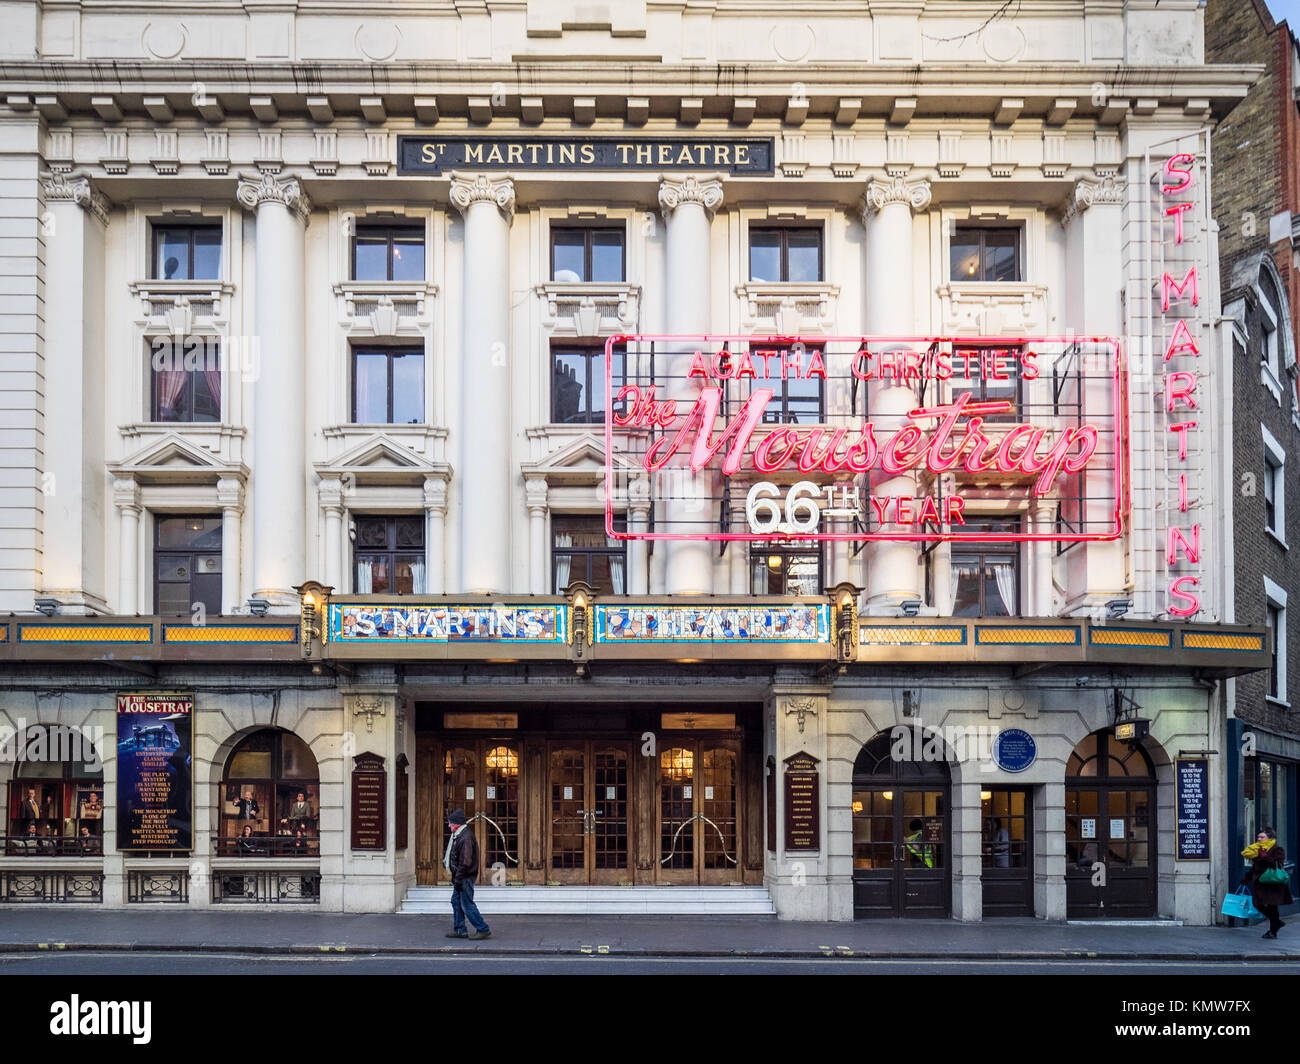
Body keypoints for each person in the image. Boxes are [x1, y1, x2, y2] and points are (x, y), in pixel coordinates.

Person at [443, 808, 491, 940]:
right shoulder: (460, 835)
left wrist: (458, 879)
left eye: (450, 823)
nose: (449, 825)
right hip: (460, 877)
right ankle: (460, 930)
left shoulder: (465, 838)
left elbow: (465, 862)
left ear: (457, 824)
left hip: (464, 877)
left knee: (466, 903)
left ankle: (483, 929)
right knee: (456, 901)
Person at [1242, 827, 1292, 939]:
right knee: (1257, 904)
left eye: (1262, 837)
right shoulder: (1257, 849)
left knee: (1272, 906)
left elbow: (1277, 865)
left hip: (1273, 883)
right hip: (1260, 883)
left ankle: (1273, 931)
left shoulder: (1277, 849)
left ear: (1269, 838)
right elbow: (1255, 867)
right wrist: (1247, 878)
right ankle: (1277, 922)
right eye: (1258, 837)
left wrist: (1265, 857)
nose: (1259, 839)